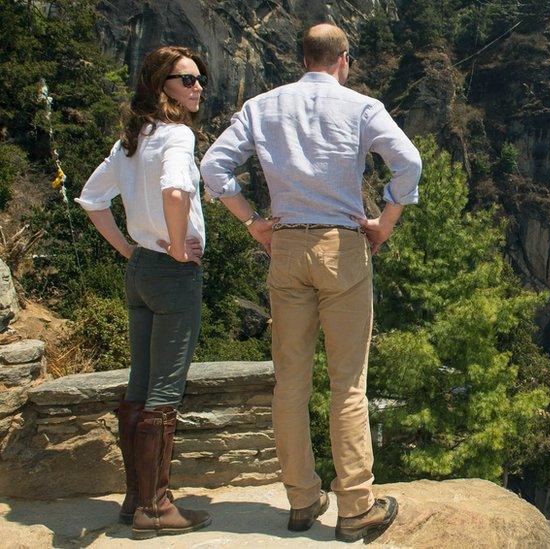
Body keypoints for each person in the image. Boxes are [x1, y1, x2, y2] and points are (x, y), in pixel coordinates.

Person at [201, 22, 421, 542]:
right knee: (348, 384)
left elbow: (213, 166)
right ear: (342, 59)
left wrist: (253, 221)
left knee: (291, 383)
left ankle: (301, 501)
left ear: (304, 58)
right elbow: (408, 160)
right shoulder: (361, 107)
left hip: (286, 246)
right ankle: (356, 508)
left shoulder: (262, 106)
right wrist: (384, 224)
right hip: (343, 247)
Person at [76, 45, 212, 540]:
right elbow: (176, 192)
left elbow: (92, 199)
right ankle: (155, 509)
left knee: (139, 386)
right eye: (186, 79)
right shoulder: (176, 136)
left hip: (140, 272)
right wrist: (177, 248)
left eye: (200, 78)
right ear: (162, 87)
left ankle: (135, 498)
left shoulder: (130, 141)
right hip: (172, 276)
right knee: (162, 392)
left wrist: (130, 251)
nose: (198, 86)